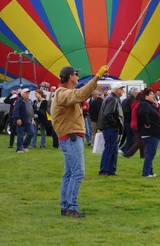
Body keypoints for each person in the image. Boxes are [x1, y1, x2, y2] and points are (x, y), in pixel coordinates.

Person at [51, 64, 107, 217]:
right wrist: (97, 77)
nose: (77, 77)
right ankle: (71, 208)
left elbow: (80, 93)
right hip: (71, 137)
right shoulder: (63, 93)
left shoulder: (63, 93)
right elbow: (80, 95)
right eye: (76, 74)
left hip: (70, 137)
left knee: (69, 173)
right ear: (70, 77)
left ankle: (66, 206)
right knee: (78, 172)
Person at [137, 88, 160, 177]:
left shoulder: (149, 104)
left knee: (151, 153)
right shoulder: (144, 104)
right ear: (146, 96)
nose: (153, 95)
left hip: (154, 132)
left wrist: (156, 106)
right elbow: (142, 114)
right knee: (150, 153)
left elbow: (154, 115)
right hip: (150, 133)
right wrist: (147, 123)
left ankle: (150, 171)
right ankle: (146, 173)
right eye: (151, 94)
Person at [98, 82, 125, 177]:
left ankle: (110, 170)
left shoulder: (112, 98)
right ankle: (104, 170)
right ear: (117, 89)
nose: (123, 90)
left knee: (113, 149)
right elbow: (108, 114)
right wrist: (116, 124)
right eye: (122, 88)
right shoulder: (112, 99)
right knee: (109, 149)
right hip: (110, 128)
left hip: (109, 127)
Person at [120, 87, 139, 154]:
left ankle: (123, 149)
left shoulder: (126, 100)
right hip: (128, 121)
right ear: (135, 93)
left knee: (130, 137)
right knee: (131, 138)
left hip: (125, 121)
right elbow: (127, 111)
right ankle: (125, 151)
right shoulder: (130, 100)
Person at [16, 89, 35, 153]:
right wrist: (18, 118)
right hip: (21, 120)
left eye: (28, 93)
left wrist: (33, 119)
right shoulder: (19, 101)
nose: (28, 95)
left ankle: (24, 146)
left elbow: (31, 111)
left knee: (31, 132)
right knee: (20, 135)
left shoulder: (29, 101)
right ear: (22, 94)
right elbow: (16, 110)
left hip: (29, 120)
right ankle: (19, 149)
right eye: (26, 93)